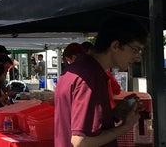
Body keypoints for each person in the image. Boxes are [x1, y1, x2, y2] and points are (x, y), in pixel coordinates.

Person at [54, 16, 144, 146]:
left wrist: (114, 114)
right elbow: (81, 142)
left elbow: (78, 127)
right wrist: (125, 126)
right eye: (135, 50)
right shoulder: (90, 76)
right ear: (115, 45)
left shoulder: (77, 69)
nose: (138, 58)